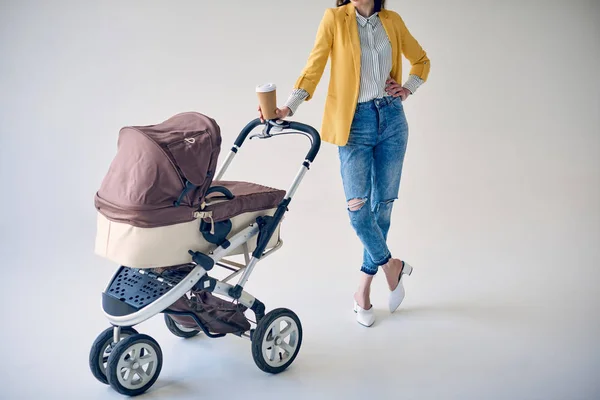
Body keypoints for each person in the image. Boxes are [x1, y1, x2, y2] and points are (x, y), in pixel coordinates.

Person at [258, 0, 430, 327]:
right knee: (358, 210)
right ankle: (390, 266)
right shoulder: (335, 19)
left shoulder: (391, 21)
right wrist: (288, 108)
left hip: (392, 120)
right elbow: (315, 66)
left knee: (383, 208)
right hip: (354, 125)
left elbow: (421, 61)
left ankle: (363, 291)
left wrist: (406, 89)